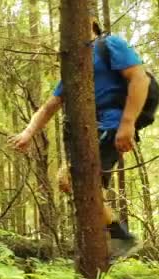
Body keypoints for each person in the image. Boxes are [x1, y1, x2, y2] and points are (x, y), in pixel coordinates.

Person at [9, 15, 149, 259]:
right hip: (90, 130)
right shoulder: (74, 66)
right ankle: (116, 239)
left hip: (111, 126)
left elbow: (139, 78)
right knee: (72, 182)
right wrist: (28, 133)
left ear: (91, 21)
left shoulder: (110, 44)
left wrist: (127, 125)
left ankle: (118, 241)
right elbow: (49, 105)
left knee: (76, 180)